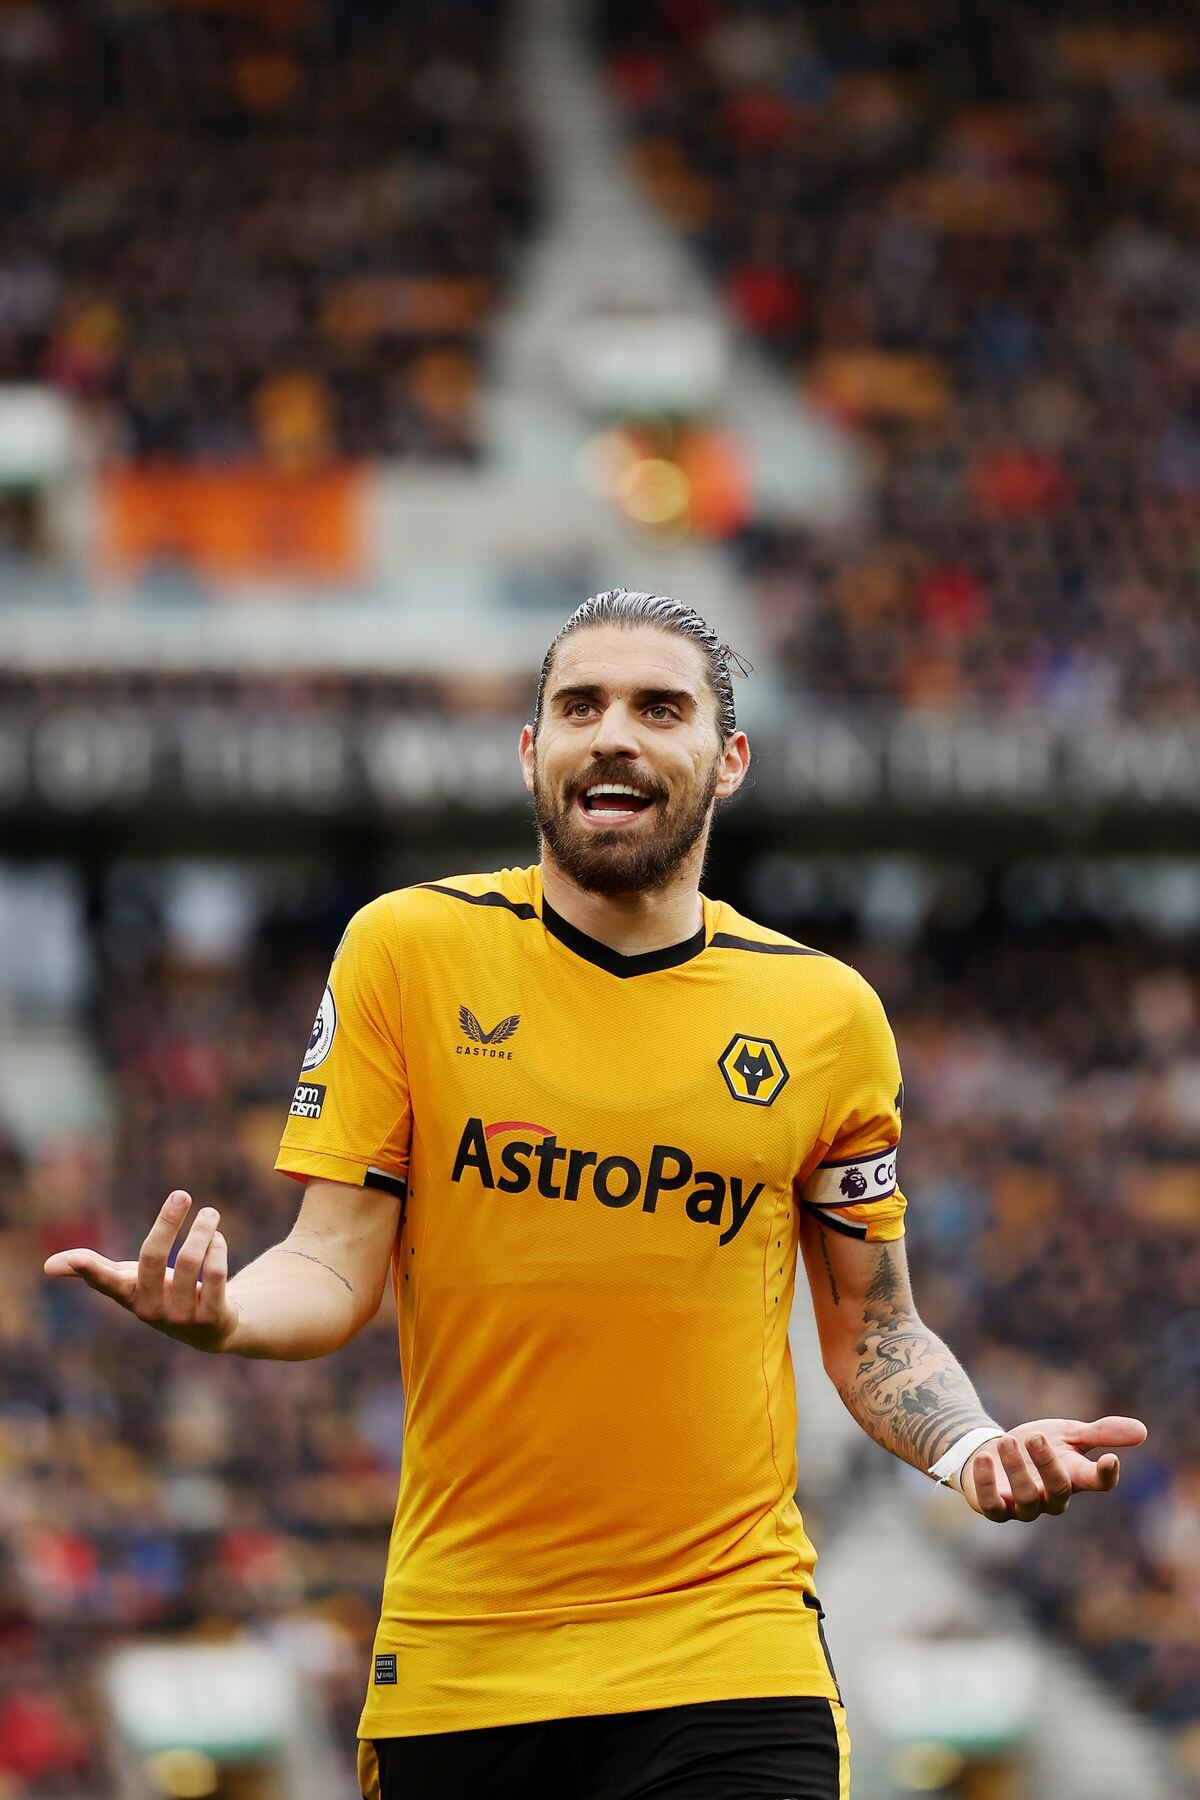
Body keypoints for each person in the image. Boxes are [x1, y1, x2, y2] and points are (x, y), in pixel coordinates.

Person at [46, 590, 1147, 1800]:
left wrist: (975, 1445)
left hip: (731, 1650)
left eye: (658, 707)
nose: (613, 732)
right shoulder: (406, 950)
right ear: (534, 754)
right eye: (581, 705)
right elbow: (329, 1262)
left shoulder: (826, 1016)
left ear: (728, 760)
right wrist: (225, 1316)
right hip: (469, 1657)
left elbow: (874, 1325)